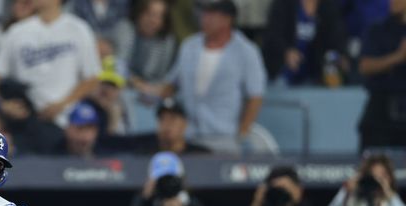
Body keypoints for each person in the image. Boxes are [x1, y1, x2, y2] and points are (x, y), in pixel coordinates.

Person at [136, 0, 267, 154]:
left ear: (227, 19)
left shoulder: (246, 51)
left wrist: (242, 132)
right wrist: (146, 89)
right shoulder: (190, 46)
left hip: (223, 137)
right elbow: (171, 85)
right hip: (188, 136)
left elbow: (255, 96)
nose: (204, 19)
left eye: (211, 15)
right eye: (203, 13)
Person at [0, 0, 101, 153]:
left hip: (70, 123)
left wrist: (61, 105)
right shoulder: (17, 31)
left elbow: (92, 78)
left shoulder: (78, 28)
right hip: (28, 122)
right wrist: (2, 104)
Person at [261, 0, 347, 86]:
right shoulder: (284, 3)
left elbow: (335, 40)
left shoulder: (329, 6)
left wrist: (339, 57)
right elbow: (272, 35)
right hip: (282, 72)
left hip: (313, 74)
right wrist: (286, 52)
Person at [357, 4, 406, 151]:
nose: (392, 2)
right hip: (381, 107)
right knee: (372, 159)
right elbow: (364, 67)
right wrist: (398, 57)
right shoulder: (378, 29)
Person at [128, 151, 204, 206]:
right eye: (161, 180)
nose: (166, 185)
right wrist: (144, 198)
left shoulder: (190, 204)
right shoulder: (148, 204)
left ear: (181, 180)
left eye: (172, 180)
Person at [123, 0, 178, 87]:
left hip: (152, 91)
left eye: (158, 16)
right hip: (124, 85)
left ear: (164, 22)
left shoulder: (167, 41)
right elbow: (120, 64)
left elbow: (163, 76)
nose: (152, 20)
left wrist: (150, 88)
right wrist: (135, 82)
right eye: (149, 14)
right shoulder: (127, 29)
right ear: (139, 14)